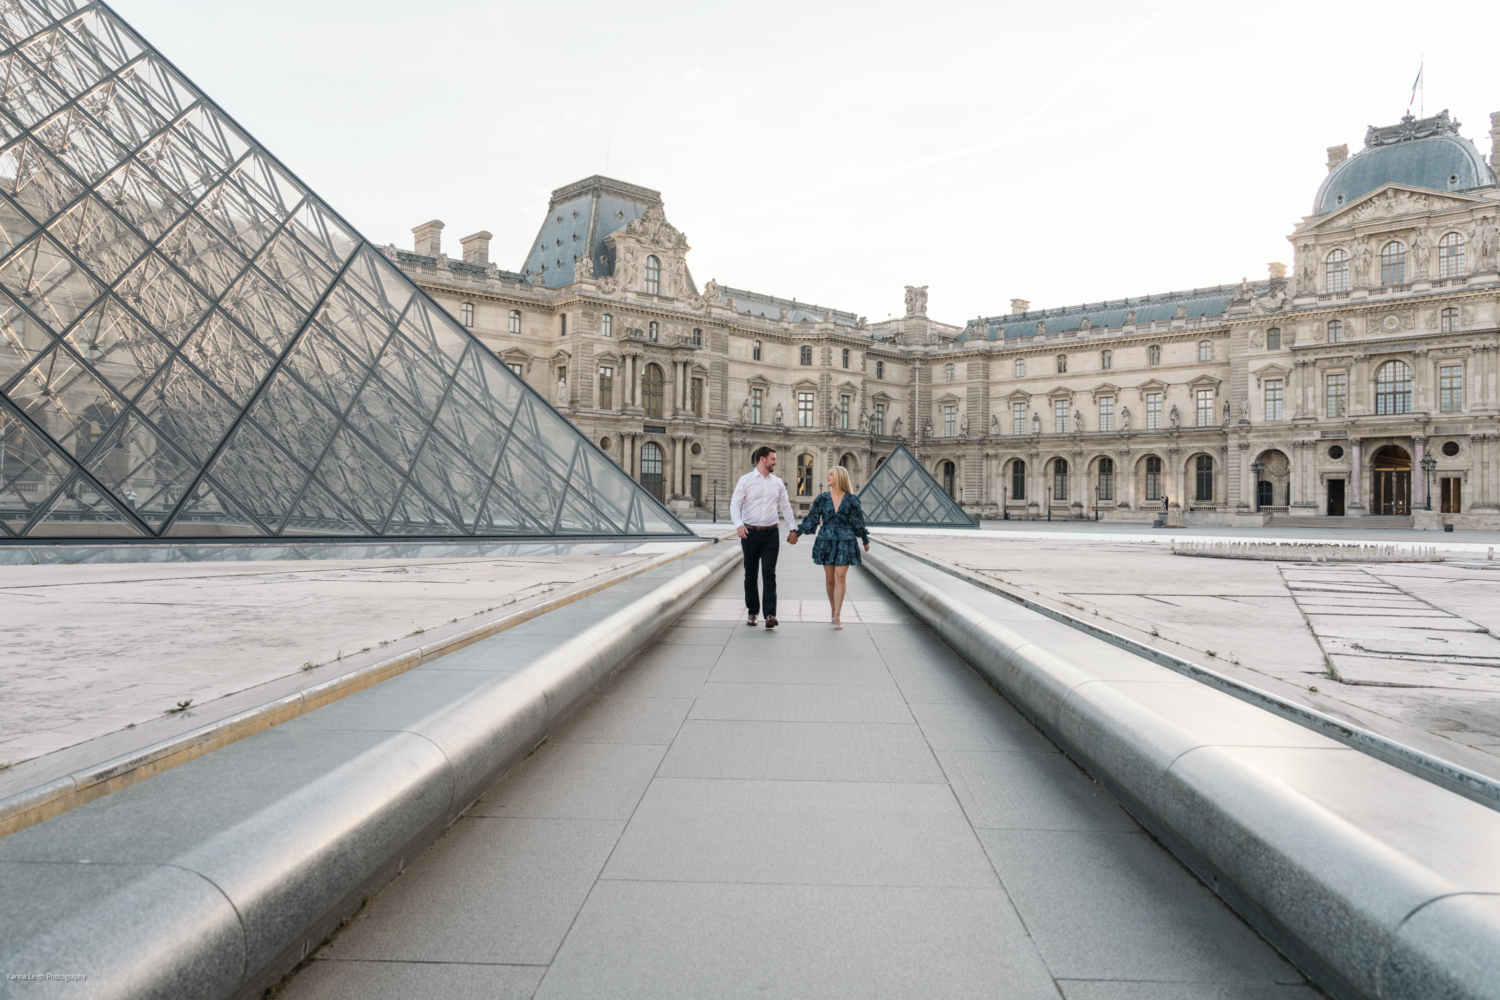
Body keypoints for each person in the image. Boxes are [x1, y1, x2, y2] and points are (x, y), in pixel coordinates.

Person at [792, 466, 870, 630]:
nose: (827, 476)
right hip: (826, 539)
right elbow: (812, 519)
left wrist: (864, 538)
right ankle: (833, 608)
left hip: (845, 540)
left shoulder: (851, 499)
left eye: (831, 474)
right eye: (827, 473)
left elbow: (857, 521)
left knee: (840, 576)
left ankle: (837, 615)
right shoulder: (822, 498)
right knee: (830, 579)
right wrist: (797, 533)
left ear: (840, 477)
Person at [730, 446, 796, 629]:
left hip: (771, 533)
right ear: (762, 459)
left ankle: (769, 615)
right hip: (749, 533)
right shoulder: (745, 480)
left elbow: (785, 506)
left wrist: (793, 529)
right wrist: (738, 524)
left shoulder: (778, 482)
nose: (775, 462)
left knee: (769, 573)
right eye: (773, 459)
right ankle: (752, 612)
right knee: (750, 574)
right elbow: (735, 505)